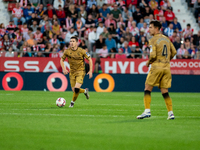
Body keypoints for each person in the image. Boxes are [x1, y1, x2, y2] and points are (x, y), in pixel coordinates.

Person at [137, 20, 177, 120]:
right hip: (167, 67)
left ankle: (147, 111)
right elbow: (174, 51)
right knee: (165, 91)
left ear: (156, 28)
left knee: (147, 88)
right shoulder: (166, 39)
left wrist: (148, 62)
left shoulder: (153, 39)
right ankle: (171, 113)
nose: (149, 29)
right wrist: (167, 60)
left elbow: (153, 55)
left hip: (156, 67)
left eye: (150, 27)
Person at [60, 36, 93, 107]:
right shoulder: (67, 51)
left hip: (80, 71)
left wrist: (90, 71)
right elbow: (61, 60)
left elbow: (90, 59)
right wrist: (64, 69)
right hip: (72, 72)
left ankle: (72, 103)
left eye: (73, 41)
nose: (71, 43)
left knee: (76, 88)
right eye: (70, 41)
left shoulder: (82, 51)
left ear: (77, 43)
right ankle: (85, 91)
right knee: (74, 90)